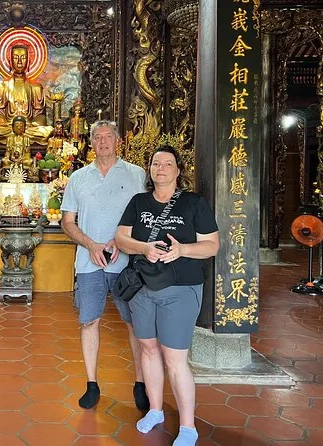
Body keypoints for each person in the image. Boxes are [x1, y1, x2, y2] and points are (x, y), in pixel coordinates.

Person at [114, 145, 219, 446]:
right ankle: (156, 410)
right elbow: (121, 238)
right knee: (148, 348)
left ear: (178, 170)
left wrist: (182, 250)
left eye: (168, 163)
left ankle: (188, 427)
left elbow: (212, 245)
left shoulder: (193, 203)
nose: (161, 168)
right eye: (156, 163)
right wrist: (144, 248)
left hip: (181, 288)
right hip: (143, 289)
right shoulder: (139, 202)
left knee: (174, 358)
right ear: (149, 169)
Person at [60, 120, 149, 410]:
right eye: (97, 137)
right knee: (89, 321)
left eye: (108, 136)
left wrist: (120, 241)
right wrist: (91, 245)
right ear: (91, 143)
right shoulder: (79, 178)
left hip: (126, 263)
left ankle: (140, 383)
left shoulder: (136, 174)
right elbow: (67, 222)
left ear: (118, 140)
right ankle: (91, 384)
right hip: (90, 262)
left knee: (134, 323)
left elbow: (146, 217)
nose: (103, 141)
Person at [0, 45, 53, 145]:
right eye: (15, 58)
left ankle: (20, 135)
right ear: (10, 61)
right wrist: (7, 124)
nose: (19, 62)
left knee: (48, 132)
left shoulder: (36, 87)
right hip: (9, 127)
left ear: (28, 61)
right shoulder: (2, 86)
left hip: (28, 128)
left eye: (23, 58)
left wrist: (31, 125)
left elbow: (40, 116)